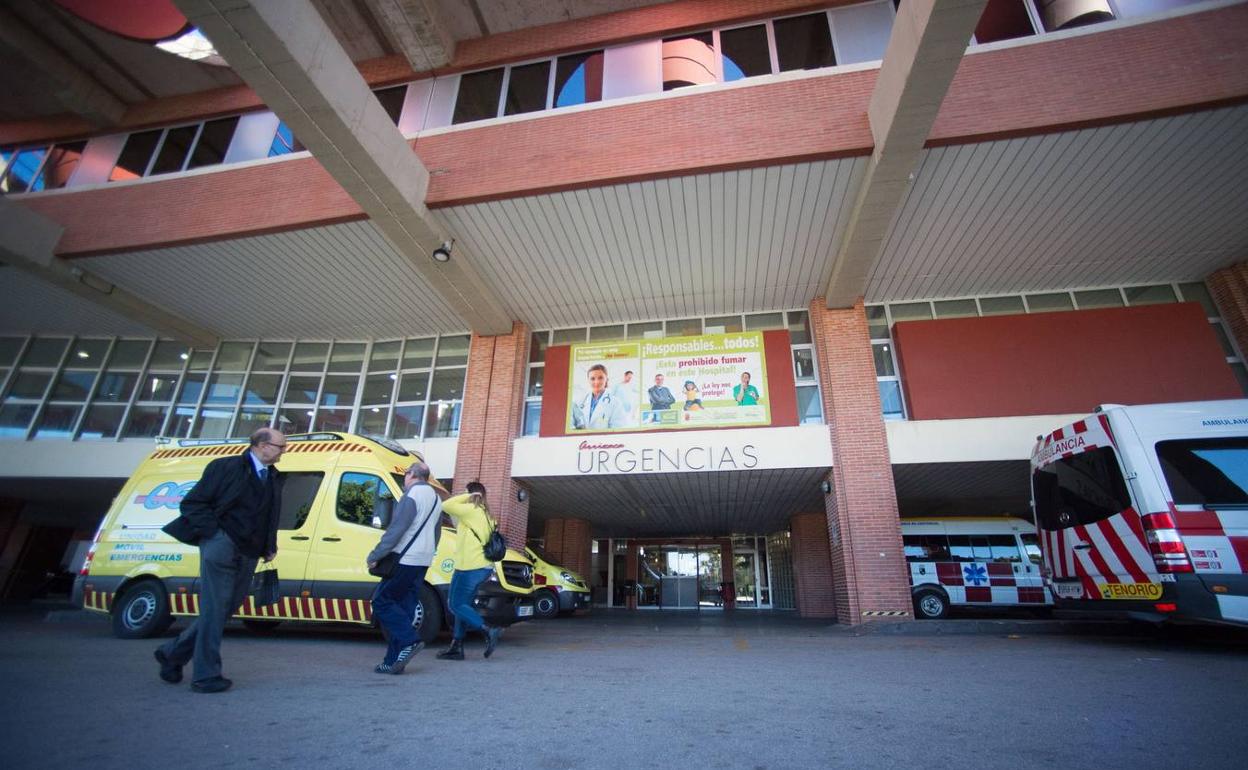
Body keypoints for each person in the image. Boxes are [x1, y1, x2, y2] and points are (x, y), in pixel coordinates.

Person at [155, 428, 285, 693]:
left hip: (249, 551)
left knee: (226, 608)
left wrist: (269, 545)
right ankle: (206, 675)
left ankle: (173, 652)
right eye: (280, 446)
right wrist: (216, 536)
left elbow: (269, 515)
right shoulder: (225, 467)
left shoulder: (273, 477)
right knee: (215, 609)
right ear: (261, 445)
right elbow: (193, 504)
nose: (284, 450)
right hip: (222, 547)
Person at [366, 461, 441, 675]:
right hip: (423, 560)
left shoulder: (411, 496)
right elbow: (436, 534)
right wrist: (428, 554)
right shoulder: (436, 499)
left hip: (405, 558)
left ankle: (409, 641)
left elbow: (397, 529)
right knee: (405, 609)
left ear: (411, 475)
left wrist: (376, 555)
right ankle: (392, 661)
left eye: (405, 475)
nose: (404, 480)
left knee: (381, 601)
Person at [436, 481, 502, 660]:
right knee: (462, 606)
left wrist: (469, 495)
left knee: (456, 605)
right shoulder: (487, 515)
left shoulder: (472, 510)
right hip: (474, 566)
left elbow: (446, 505)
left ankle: (488, 630)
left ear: (471, 494)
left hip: (470, 567)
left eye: (465, 493)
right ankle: (456, 647)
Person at [571, 363, 629, 429]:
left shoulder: (615, 403)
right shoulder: (579, 402)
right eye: (592, 379)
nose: (597, 382)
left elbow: (618, 428)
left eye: (600, 378)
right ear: (588, 380)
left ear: (606, 379)